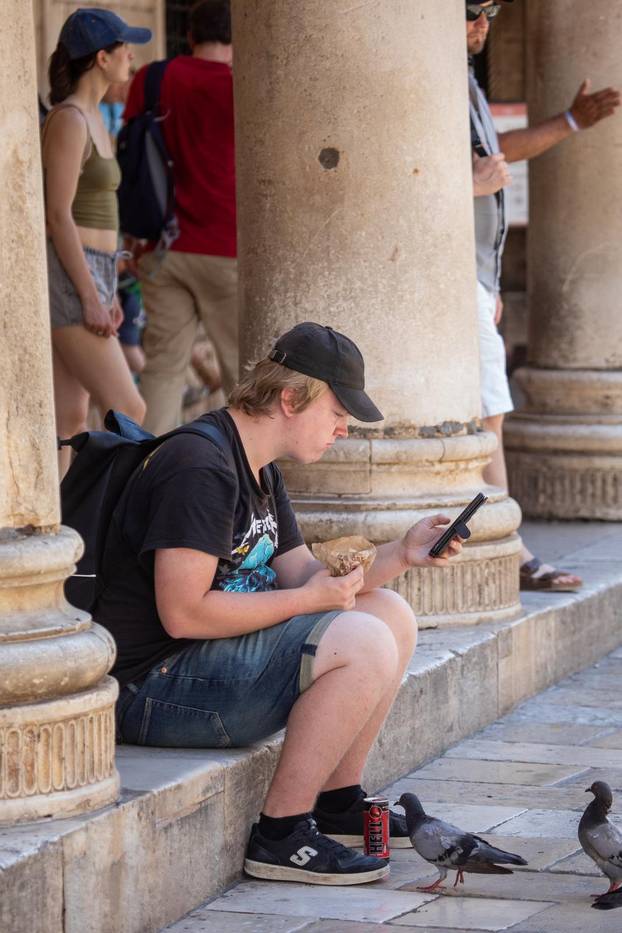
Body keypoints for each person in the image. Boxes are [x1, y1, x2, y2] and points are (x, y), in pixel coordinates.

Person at [96, 322, 463, 885]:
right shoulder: (200, 465)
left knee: (390, 614)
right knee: (361, 640)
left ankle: (337, 802)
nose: (343, 429)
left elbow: (309, 578)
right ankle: (281, 833)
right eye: (337, 412)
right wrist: (304, 600)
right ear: (291, 398)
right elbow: (184, 612)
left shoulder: (260, 466)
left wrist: (401, 553)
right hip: (152, 688)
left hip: (204, 666)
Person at [467, 0, 620, 591]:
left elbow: (497, 152)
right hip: (448, 278)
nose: (483, 24)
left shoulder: (464, 81)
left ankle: (503, 541)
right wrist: (467, 185)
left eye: (490, 12)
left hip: (474, 279)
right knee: (489, 411)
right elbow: (400, 178)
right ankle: (508, 545)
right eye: (471, 11)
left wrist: (571, 122)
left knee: (488, 410)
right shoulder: (430, 83)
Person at [42, 8, 149, 477]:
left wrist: (108, 291)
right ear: (101, 57)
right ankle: (109, 513)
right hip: (72, 272)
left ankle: (60, 517)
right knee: (129, 407)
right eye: (125, 48)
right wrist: (89, 295)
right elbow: (57, 215)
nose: (132, 57)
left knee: (69, 419)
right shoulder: (69, 119)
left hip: (96, 270)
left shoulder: (95, 118)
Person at [123, 0, 237, 435]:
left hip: (161, 247)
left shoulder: (151, 79)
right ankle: (247, 471)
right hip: (228, 247)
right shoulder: (240, 86)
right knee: (244, 374)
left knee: (162, 370)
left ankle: (148, 464)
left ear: (190, 36)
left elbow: (132, 158)